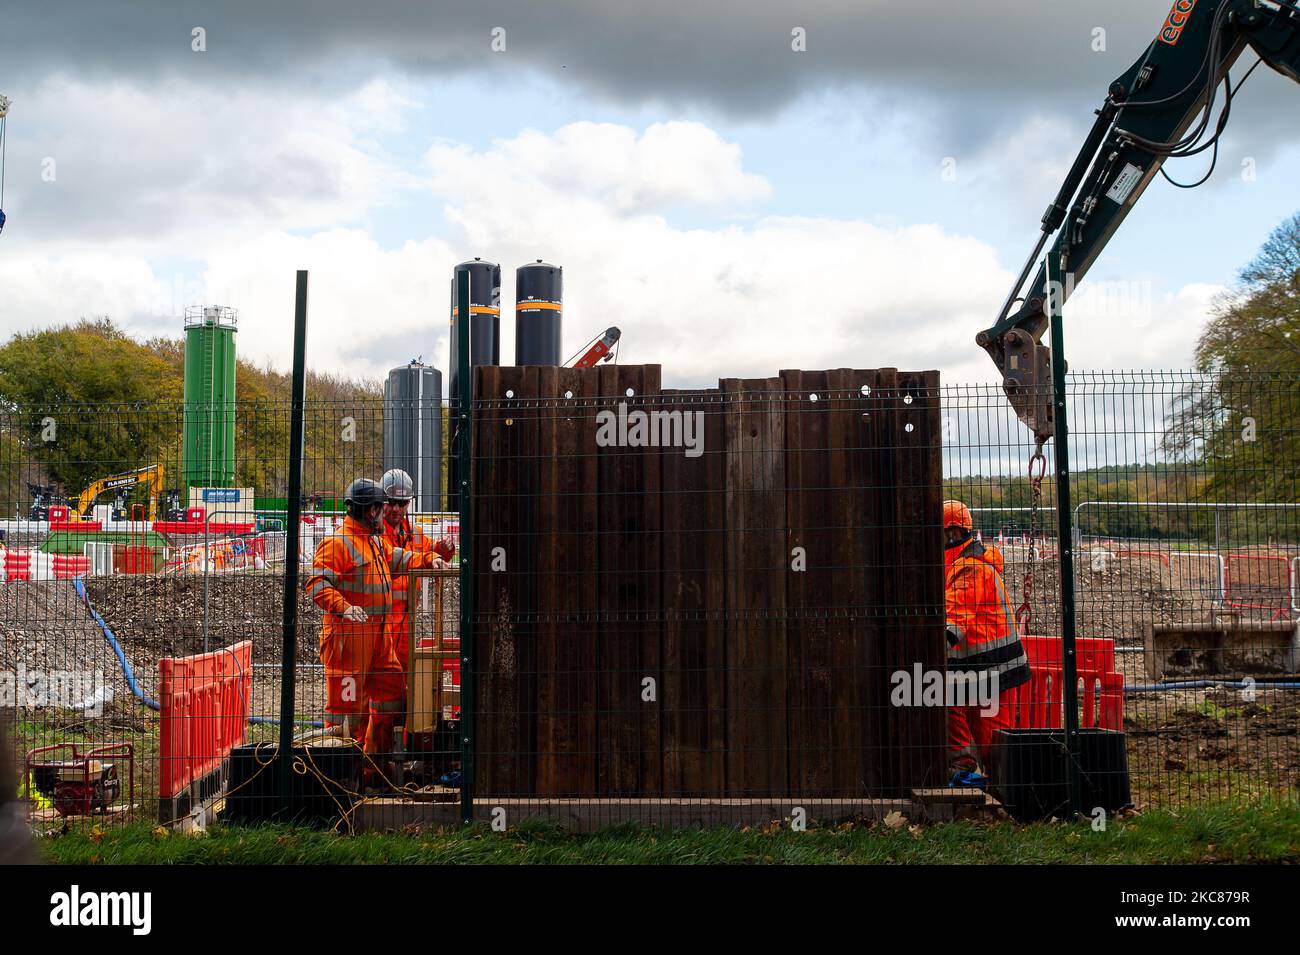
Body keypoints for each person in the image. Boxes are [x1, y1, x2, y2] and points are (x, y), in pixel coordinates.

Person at [304, 477, 447, 772]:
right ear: (371, 511)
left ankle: (373, 769)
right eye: (383, 508)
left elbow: (400, 558)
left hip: (379, 638)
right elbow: (316, 583)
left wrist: (430, 559)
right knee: (347, 712)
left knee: (392, 695)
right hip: (348, 641)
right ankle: (341, 776)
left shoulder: (373, 541)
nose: (388, 513)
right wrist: (343, 607)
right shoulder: (338, 543)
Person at [943, 499, 1031, 785]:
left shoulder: (970, 569)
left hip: (992, 668)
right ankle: (982, 780)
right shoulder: (966, 564)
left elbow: (951, 625)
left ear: (953, 533)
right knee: (984, 730)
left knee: (988, 735)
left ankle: (975, 778)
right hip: (987, 667)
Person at [379, 468, 456, 680]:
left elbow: (434, 554)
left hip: (406, 623)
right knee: (380, 684)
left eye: (402, 503)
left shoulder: (415, 534)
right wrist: (430, 556)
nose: (396, 508)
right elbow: (394, 558)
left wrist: (444, 548)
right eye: (391, 501)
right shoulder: (374, 534)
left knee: (404, 683)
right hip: (379, 624)